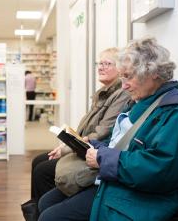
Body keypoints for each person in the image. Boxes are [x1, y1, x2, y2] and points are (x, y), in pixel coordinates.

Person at [38, 38, 178, 221]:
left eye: (129, 76)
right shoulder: (141, 102)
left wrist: (102, 158)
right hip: (122, 179)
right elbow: (122, 143)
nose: (124, 85)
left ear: (153, 74)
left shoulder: (177, 112)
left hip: (144, 194)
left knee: (50, 216)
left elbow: (160, 169)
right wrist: (94, 145)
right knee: (46, 202)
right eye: (122, 77)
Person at [21, 48, 131, 221]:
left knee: (43, 169)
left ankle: (38, 214)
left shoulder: (120, 94)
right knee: (39, 162)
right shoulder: (103, 93)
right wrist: (67, 143)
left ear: (120, 69)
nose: (101, 67)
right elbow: (87, 127)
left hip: (91, 151)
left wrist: (70, 147)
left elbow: (103, 131)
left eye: (107, 63)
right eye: (99, 63)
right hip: (84, 147)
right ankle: (36, 212)